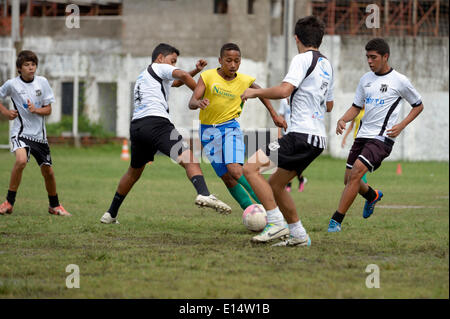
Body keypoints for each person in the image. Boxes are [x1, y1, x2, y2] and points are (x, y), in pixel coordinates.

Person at [100, 43, 231, 224]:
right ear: (160, 58)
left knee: (133, 172)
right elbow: (182, 76)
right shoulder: (159, 66)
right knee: (189, 158)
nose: (174, 65)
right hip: (157, 124)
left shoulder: (145, 74)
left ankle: (110, 214)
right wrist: (200, 94)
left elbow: (177, 82)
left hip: (137, 127)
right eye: (173, 61)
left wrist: (195, 70)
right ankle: (204, 193)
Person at [241, 16, 334, 246]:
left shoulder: (302, 59)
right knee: (276, 184)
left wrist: (255, 93)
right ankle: (299, 235)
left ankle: (275, 225)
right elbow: (329, 105)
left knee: (250, 168)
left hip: (300, 135)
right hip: (317, 138)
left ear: (296, 38)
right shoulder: (326, 64)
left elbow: (284, 90)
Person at [328, 38, 424, 232]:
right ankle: (372, 196)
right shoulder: (365, 79)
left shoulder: (400, 81)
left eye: (373, 57)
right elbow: (356, 106)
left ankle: (335, 221)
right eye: (367, 57)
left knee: (356, 174)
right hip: (362, 136)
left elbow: (418, 105)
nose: (369, 61)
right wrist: (343, 119)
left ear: (385, 57)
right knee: (348, 180)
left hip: (382, 139)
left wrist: (401, 125)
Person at [188, 43, 286, 211]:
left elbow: (260, 92)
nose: (233, 65)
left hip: (230, 128)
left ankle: (271, 208)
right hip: (208, 132)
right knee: (228, 178)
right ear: (220, 60)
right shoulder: (207, 76)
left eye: (236, 61)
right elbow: (191, 102)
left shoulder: (244, 80)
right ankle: (252, 212)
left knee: (234, 169)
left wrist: (274, 114)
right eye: (228, 60)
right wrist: (199, 102)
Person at [0, 50, 71, 216]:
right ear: (19, 68)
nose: (31, 68)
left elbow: (49, 110)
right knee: (21, 160)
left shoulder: (42, 82)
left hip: (39, 136)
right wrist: (5, 112)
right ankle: (9, 202)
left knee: (48, 171)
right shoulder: (12, 84)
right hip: (20, 132)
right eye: (27, 65)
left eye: (33, 64)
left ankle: (54, 205)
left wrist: (36, 110)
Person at [278, 98, 308, 192]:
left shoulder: (300, 98)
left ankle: (300, 179)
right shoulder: (283, 101)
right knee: (287, 160)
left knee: (295, 162)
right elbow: (281, 117)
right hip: (287, 134)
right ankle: (290, 184)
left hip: (298, 134)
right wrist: (279, 133)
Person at [340, 107, 368, 184]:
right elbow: (351, 126)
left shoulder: (368, 111)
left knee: (360, 163)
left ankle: (364, 183)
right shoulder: (357, 111)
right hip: (357, 140)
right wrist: (344, 138)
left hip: (366, 140)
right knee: (355, 163)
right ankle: (363, 183)